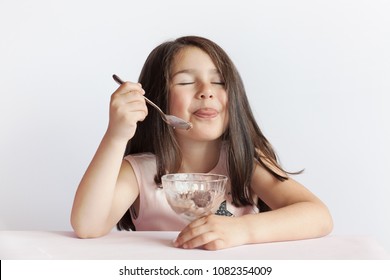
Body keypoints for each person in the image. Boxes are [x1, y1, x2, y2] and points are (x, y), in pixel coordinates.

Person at [71, 35, 333, 250]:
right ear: (158, 99)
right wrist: (116, 135)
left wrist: (241, 230)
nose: (207, 91)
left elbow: (318, 216)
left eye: (219, 81)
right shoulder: (140, 171)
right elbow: (87, 226)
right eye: (185, 81)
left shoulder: (244, 162)